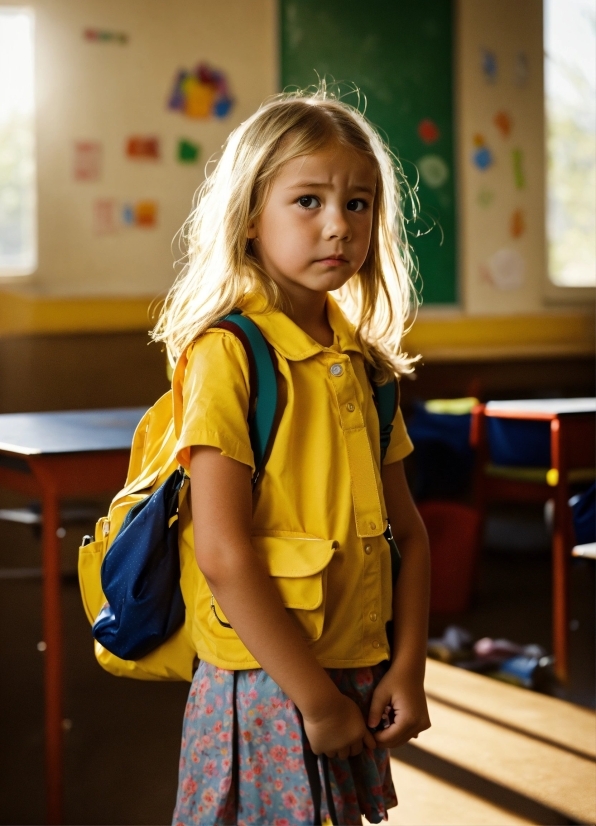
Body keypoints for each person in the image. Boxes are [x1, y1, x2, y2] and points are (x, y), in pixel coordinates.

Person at [152, 87, 431, 826]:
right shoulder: (228, 357)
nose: (338, 225)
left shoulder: (368, 367)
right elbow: (222, 552)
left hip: (354, 670)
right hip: (267, 682)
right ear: (250, 218)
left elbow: (411, 532)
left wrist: (408, 665)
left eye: (360, 204)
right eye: (307, 201)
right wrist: (314, 698)